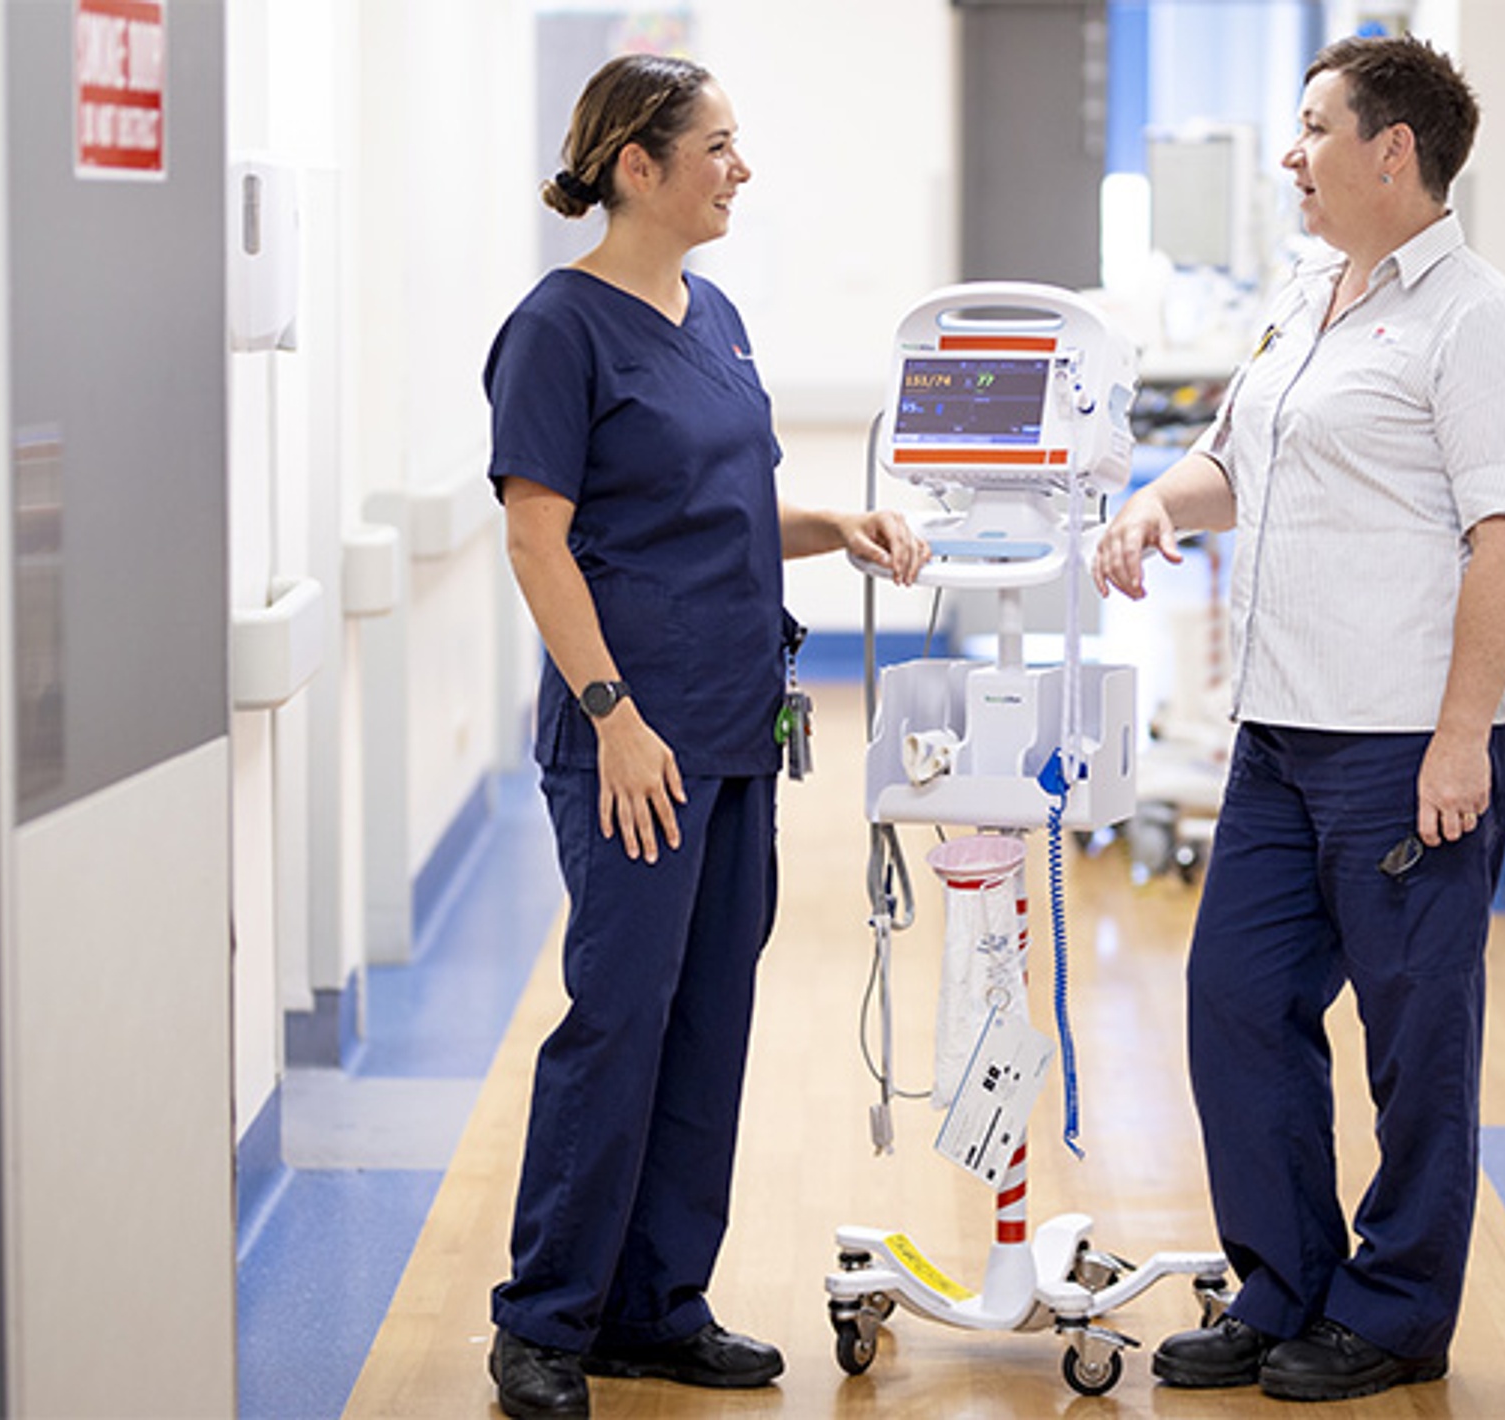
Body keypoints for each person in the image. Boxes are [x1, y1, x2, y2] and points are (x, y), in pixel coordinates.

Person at [1093, 35, 1505, 1405]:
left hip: (1411, 745)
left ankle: (1399, 1311)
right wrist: (1154, 505)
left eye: (1310, 130)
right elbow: (1234, 463)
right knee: (1236, 1001)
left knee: (1417, 1044)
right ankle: (1284, 1286)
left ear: (1390, 149)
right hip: (1282, 734)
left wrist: (1463, 733)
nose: (1288, 157)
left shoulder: (1477, 320)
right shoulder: (1311, 300)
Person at [480, 53, 927, 1420]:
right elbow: (536, 536)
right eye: (719, 147)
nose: (741, 168)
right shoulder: (560, 329)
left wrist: (831, 530)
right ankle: (546, 1322)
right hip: (636, 742)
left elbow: (720, 508)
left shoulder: (714, 311)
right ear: (637, 165)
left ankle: (657, 1308)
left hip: (733, 730)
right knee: (619, 1018)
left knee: (710, 1017)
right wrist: (612, 715)